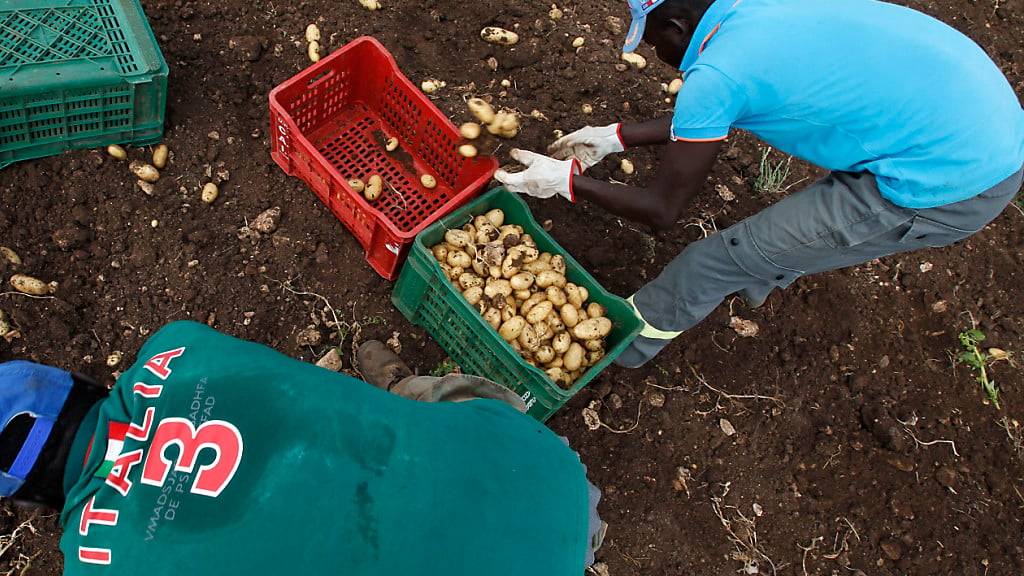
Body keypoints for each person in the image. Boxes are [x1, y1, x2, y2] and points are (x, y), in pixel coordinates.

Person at [495, 0, 1024, 367]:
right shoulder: (757, 14)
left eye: (652, 41)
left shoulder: (721, 72)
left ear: (678, 25)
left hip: (952, 183)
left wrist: (565, 182)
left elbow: (662, 210)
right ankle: (769, 268)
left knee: (716, 260)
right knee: (778, 244)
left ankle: (625, 341)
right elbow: (742, 100)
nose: (655, 54)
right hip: (973, 118)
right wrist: (617, 138)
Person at [0, 321, 604, 574]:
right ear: (80, 382)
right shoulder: (175, 346)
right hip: (552, 472)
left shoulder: (98, 564)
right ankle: (405, 391)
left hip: (543, 553)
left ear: (29, 499)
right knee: (416, 414)